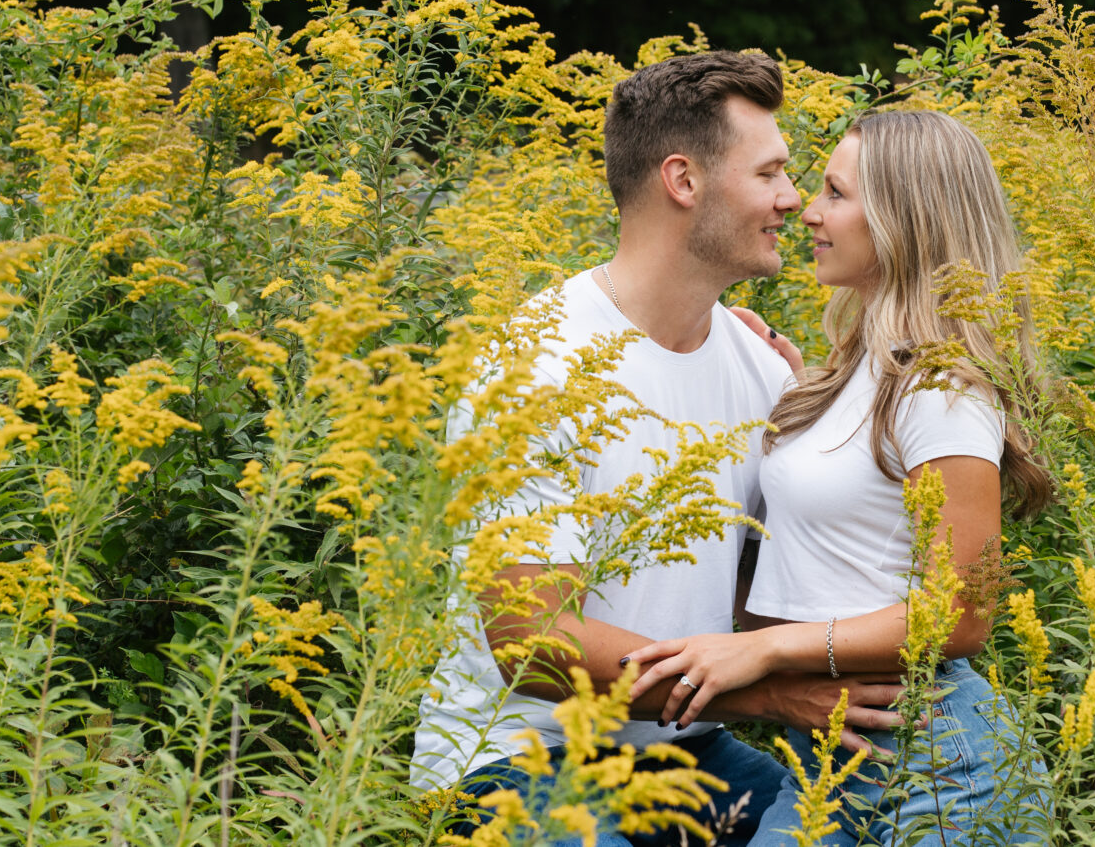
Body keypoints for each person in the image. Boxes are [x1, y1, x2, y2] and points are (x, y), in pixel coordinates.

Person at [412, 51, 906, 843]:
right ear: (683, 180)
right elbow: (529, 642)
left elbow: (780, 581)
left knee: (876, 826)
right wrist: (768, 694)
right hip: (513, 757)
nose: (793, 201)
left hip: (685, 750)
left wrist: (820, 395)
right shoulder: (536, 365)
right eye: (772, 173)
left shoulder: (758, 372)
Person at [623, 109, 1054, 846]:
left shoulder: (943, 388)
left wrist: (762, 650)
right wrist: (787, 388)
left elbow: (961, 615)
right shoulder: (855, 374)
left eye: (836, 193)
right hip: (832, 758)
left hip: (938, 760)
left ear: (904, 219)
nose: (809, 211)